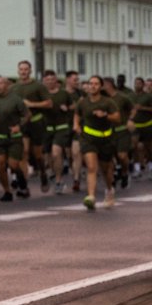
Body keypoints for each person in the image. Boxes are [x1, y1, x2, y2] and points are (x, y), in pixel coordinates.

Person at [74, 75, 120, 210]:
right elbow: (77, 114)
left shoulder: (108, 102)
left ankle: (109, 190)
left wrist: (105, 115)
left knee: (106, 170)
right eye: (90, 83)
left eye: (95, 84)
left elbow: (117, 118)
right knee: (91, 167)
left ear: (100, 87)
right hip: (88, 138)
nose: (92, 86)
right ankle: (91, 197)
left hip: (106, 139)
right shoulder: (82, 102)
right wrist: (76, 125)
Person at [0, 75, 28, 202]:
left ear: (7, 85)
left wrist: (19, 126)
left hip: (13, 137)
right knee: (0, 164)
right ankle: (7, 191)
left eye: (1, 83)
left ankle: (22, 183)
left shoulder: (15, 100)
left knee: (13, 164)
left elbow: (27, 115)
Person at [14, 60, 53, 192]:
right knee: (23, 152)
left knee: (37, 155)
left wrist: (31, 104)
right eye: (21, 69)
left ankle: (43, 173)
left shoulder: (38, 86)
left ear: (30, 71)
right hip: (23, 123)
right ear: (18, 71)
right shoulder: (14, 88)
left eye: (26, 69)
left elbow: (49, 104)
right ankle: (24, 185)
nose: (23, 71)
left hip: (36, 122)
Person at [42, 70, 75, 194]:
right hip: (46, 129)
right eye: (47, 80)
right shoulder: (41, 94)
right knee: (48, 157)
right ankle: (52, 172)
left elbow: (73, 106)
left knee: (56, 153)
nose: (50, 82)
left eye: (52, 79)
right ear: (44, 81)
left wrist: (67, 108)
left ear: (56, 81)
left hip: (61, 128)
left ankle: (58, 181)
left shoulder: (63, 94)